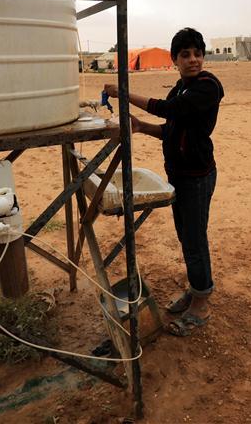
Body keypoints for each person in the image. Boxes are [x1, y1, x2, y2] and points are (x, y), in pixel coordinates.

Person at [103, 27, 224, 337]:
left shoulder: (208, 87)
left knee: (195, 239)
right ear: (175, 60)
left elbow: (169, 110)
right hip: (180, 175)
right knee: (186, 236)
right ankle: (196, 289)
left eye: (197, 53)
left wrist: (123, 93)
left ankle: (202, 303)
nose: (193, 60)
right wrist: (142, 126)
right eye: (185, 55)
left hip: (197, 176)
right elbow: (171, 127)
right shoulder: (181, 89)